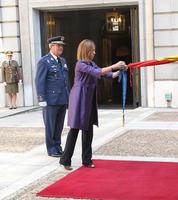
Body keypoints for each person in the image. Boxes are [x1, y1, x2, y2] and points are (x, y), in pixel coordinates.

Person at [59, 39, 127, 170]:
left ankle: (87, 159)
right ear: (86, 51)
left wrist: (119, 70)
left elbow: (107, 74)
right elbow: (97, 72)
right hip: (79, 98)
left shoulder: (91, 63)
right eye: (92, 50)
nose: (95, 52)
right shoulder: (80, 64)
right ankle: (65, 159)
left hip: (88, 98)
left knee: (88, 129)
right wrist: (115, 65)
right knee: (75, 129)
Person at [35, 36, 70, 157]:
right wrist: (41, 98)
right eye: (58, 45)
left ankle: (58, 146)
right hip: (50, 100)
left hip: (62, 99)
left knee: (59, 126)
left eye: (62, 46)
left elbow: (66, 81)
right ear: (51, 46)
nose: (60, 47)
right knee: (50, 126)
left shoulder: (63, 61)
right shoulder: (44, 61)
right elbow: (39, 81)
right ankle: (51, 149)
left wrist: (68, 97)